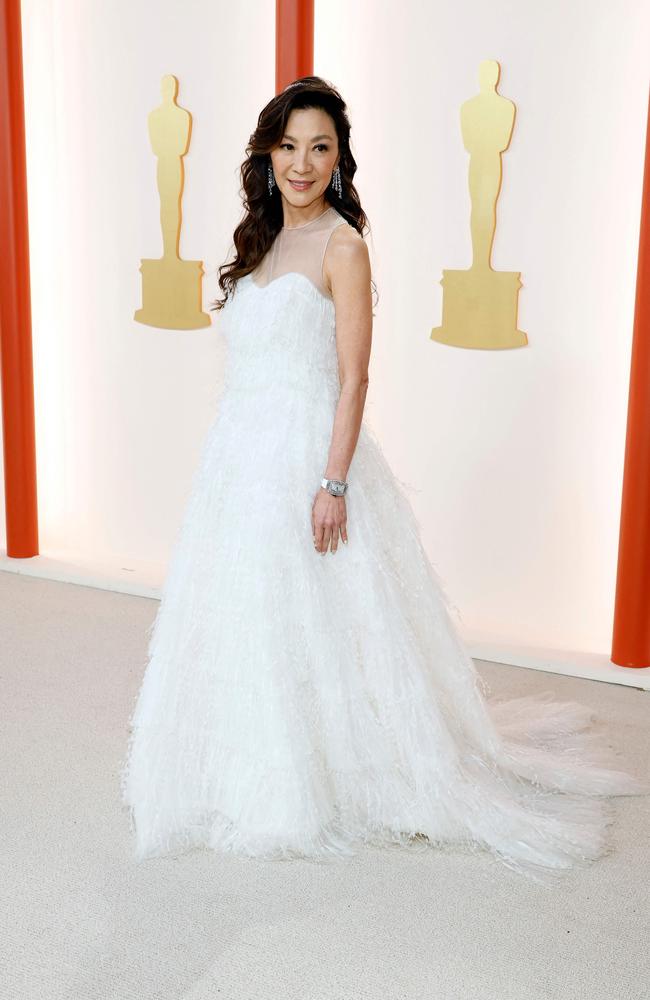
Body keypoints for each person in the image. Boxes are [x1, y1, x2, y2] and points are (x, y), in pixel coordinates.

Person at [121, 77, 648, 886]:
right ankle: (244, 759)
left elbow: (355, 377)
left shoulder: (344, 247)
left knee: (321, 622)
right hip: (236, 462)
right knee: (244, 618)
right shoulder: (259, 243)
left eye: (319, 147)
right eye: (288, 145)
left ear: (339, 161)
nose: (302, 163)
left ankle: (333, 770)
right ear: (267, 155)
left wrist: (332, 484)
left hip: (307, 458)